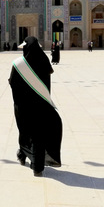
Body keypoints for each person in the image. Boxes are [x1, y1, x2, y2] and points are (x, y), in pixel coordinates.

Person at [9, 36, 62, 177]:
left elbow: (13, 83)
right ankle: (37, 167)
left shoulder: (19, 64)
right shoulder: (44, 60)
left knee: (25, 132)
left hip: (24, 108)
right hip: (41, 106)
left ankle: (23, 155)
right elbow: (47, 83)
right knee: (39, 136)